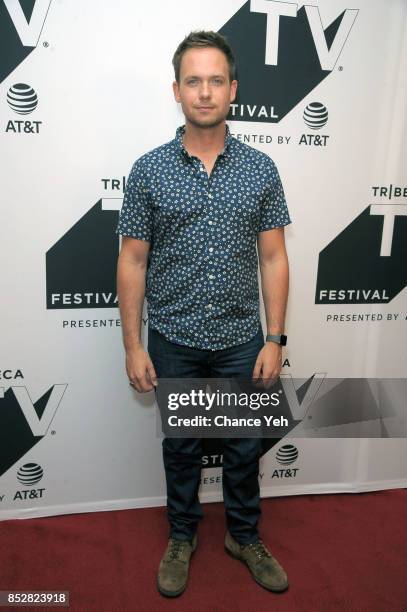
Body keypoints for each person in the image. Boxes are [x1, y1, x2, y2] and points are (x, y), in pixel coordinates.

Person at [116, 30, 291, 597]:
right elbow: (133, 261)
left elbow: (273, 256)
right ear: (176, 89)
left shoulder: (261, 169)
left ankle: (244, 534)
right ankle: (182, 535)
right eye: (194, 80)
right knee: (182, 449)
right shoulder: (148, 170)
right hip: (174, 337)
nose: (206, 92)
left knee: (244, 449)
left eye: (216, 80)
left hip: (243, 337)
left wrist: (275, 338)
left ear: (233, 89)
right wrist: (133, 345)